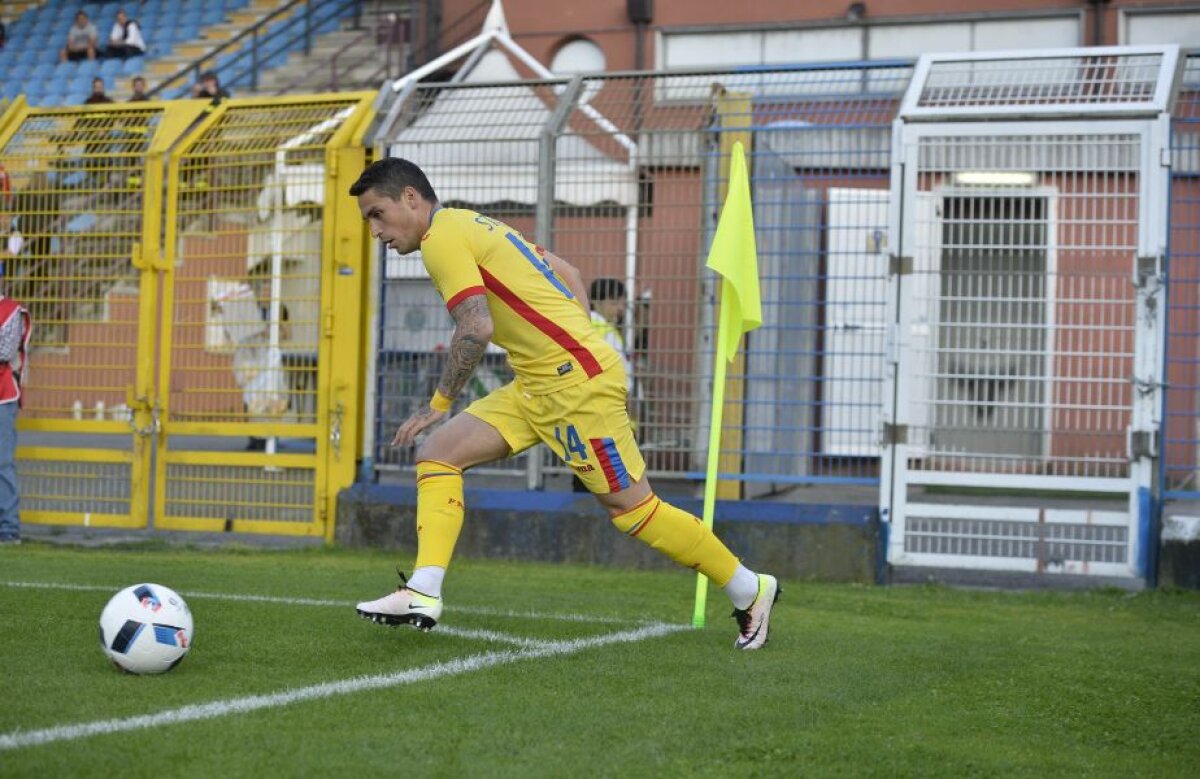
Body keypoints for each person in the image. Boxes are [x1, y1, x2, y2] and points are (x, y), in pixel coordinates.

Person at [350, 158, 780, 650]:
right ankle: (423, 590)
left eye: (377, 214)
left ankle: (750, 587)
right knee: (439, 455)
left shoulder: (440, 239)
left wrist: (439, 401)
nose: (376, 230)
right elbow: (568, 271)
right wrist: (571, 338)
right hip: (536, 383)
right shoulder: (466, 223)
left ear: (410, 198)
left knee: (633, 510)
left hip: (577, 390)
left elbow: (476, 327)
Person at [0, 285, 31, 545]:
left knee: (2, 463)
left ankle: (9, 528)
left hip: (3, 396)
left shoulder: (11, 311)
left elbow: (5, 351)